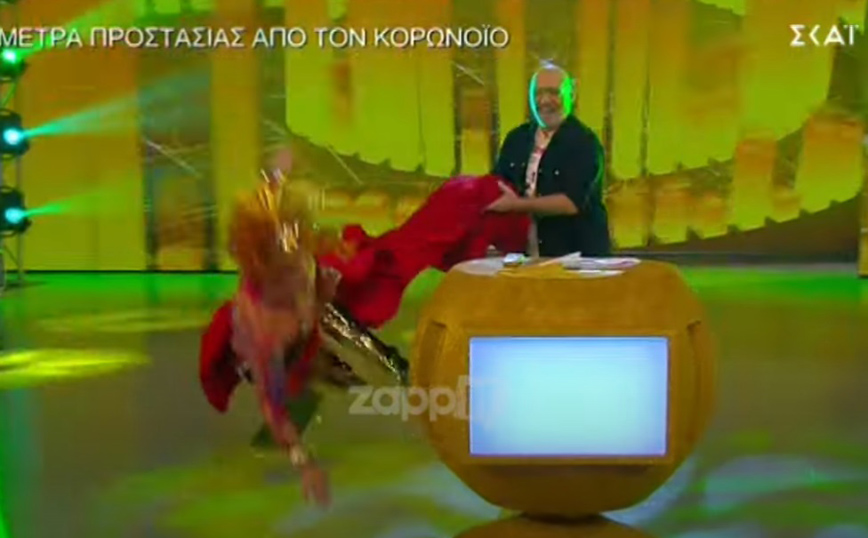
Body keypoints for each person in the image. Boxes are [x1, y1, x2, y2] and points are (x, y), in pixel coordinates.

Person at [198, 148, 530, 508]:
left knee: (411, 245)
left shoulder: (296, 256)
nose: (297, 252)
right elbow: (272, 405)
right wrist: (305, 465)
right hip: (298, 341)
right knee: (345, 374)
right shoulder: (263, 329)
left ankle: (479, 205)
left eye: (298, 243)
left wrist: (279, 173)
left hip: (327, 306)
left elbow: (278, 213)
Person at [487, 63, 611, 258]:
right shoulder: (517, 139)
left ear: (571, 95)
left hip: (576, 259)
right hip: (524, 255)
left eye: (553, 93)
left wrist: (515, 205)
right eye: (538, 93)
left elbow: (570, 203)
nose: (545, 101)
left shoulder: (585, 142)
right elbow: (497, 184)